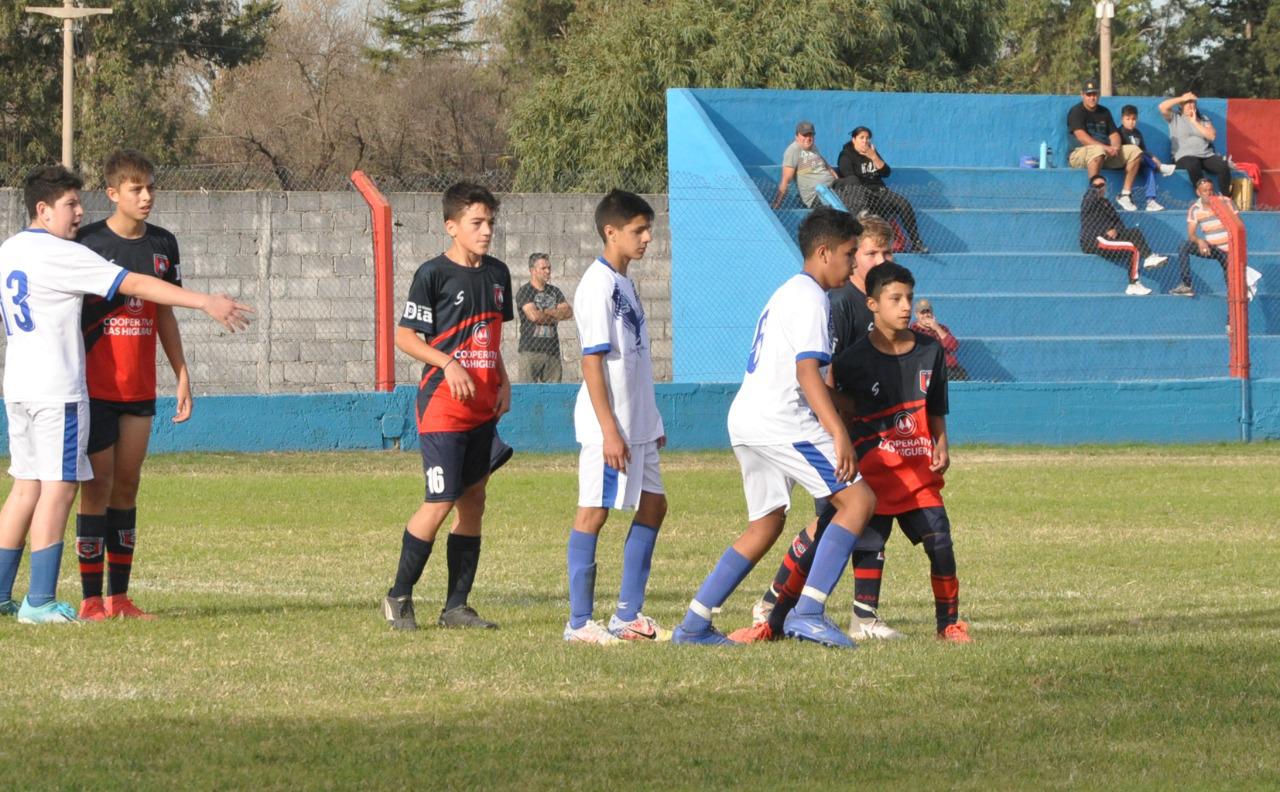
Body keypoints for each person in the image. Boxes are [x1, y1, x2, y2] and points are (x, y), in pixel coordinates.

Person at [0, 165, 251, 624]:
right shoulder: (64, 253)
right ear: (43, 210)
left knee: (25, 487)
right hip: (57, 389)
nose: (79, 212)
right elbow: (134, 284)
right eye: (71, 204)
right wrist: (205, 301)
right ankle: (38, 602)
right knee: (61, 488)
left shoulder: (10, 249)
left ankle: (2, 594)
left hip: (18, 385)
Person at [730, 263, 972, 644]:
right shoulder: (852, 360)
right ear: (873, 304)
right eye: (895, 299)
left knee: (939, 541)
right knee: (853, 541)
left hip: (916, 474)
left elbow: (936, 405)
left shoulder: (930, 350)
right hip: (872, 473)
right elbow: (832, 401)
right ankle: (773, 622)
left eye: (909, 297)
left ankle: (949, 625)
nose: (906, 306)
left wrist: (940, 441)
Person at [671, 207, 877, 648]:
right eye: (849, 253)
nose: (854, 263)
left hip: (748, 418)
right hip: (780, 419)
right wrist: (839, 432)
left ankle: (693, 624)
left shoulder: (786, 292)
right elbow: (807, 374)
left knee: (766, 523)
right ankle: (808, 612)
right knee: (858, 500)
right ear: (823, 253)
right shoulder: (811, 297)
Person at [738, 214, 892, 630]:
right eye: (868, 253)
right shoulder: (832, 300)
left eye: (887, 252)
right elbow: (817, 372)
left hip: (838, 424)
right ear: (848, 255)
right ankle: (791, 606)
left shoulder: (871, 302)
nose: (878, 260)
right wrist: (838, 427)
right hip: (815, 425)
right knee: (842, 512)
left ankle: (856, 615)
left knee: (860, 513)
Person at [382, 181, 513, 632]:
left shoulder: (498, 275)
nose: (486, 231)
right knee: (438, 502)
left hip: (481, 409)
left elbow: (490, 337)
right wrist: (448, 362)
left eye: (490, 222)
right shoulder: (432, 274)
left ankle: (456, 607)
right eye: (477, 223)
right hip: (442, 407)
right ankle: (398, 597)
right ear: (451, 226)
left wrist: (504, 379)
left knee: (473, 503)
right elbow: (404, 337)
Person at [71, 150, 185, 621]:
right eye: (136, 189)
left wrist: (181, 373)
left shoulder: (163, 244)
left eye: (150, 187)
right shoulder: (86, 241)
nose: (146, 196)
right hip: (95, 387)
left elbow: (164, 311)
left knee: (129, 483)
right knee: (96, 486)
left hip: (139, 388)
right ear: (113, 194)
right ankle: (90, 599)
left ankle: (120, 598)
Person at [564, 191, 668, 645]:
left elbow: (635, 360)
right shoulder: (596, 285)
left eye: (648, 229)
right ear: (611, 232)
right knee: (594, 512)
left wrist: (653, 420)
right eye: (638, 230)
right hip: (611, 427)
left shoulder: (624, 282)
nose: (647, 238)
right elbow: (593, 363)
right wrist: (610, 430)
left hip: (638, 424)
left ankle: (627, 616)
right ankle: (579, 623)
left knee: (654, 505)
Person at [835, 126, 929, 253]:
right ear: (854, 139)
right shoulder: (846, 155)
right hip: (862, 194)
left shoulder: (872, 152)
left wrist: (873, 156)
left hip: (880, 192)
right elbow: (849, 178)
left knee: (904, 205)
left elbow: (886, 172)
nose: (865, 141)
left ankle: (916, 242)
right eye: (861, 138)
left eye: (867, 138)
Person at [1079, 175, 1167, 296]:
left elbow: (1118, 222)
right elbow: (1091, 199)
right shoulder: (1088, 200)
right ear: (1091, 188)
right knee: (1132, 249)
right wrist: (1106, 229)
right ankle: (1134, 283)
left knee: (1135, 233)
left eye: (1102, 185)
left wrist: (1114, 230)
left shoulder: (1106, 203)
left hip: (1108, 239)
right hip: (1094, 239)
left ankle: (1148, 258)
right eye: (1096, 186)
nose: (1100, 188)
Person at [1067, 79, 1143, 211]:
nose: (1092, 97)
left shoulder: (1104, 112)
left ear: (1099, 95)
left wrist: (1116, 147)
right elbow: (1081, 137)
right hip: (1079, 154)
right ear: (1082, 95)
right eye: (1089, 94)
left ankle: (1125, 194)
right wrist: (1105, 147)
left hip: (1105, 153)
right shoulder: (1076, 111)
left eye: (1095, 94)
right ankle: (1093, 196)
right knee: (1097, 150)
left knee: (1135, 151)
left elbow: (1114, 135)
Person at [1159, 92, 1231, 197]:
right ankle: (1202, 196)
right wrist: (1182, 98)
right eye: (1187, 103)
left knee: (1223, 166)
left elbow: (1211, 136)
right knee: (1193, 164)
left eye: (1192, 102)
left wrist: (1194, 122)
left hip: (1205, 155)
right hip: (1184, 157)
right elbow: (1162, 107)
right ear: (1181, 105)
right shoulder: (1175, 118)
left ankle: (1225, 198)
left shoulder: (1203, 119)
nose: (1190, 105)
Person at [515, 252, 572, 383]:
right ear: (532, 271)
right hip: (530, 351)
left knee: (554, 392)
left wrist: (544, 311)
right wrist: (556, 314)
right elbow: (534, 316)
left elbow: (568, 312)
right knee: (527, 393)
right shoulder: (525, 291)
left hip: (552, 351)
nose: (548, 271)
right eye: (543, 268)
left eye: (549, 268)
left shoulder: (554, 291)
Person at [1171, 178, 1232, 298]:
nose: (1208, 193)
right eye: (1204, 191)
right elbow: (1191, 234)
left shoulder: (1225, 201)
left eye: (1210, 190)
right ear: (1198, 192)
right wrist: (1200, 241)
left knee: (1232, 286)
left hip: (1230, 250)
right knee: (1184, 246)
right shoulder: (1195, 209)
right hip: (1212, 248)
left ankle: (1232, 315)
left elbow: (1238, 225)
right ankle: (1186, 285)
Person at [1118, 105, 1175, 212]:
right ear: (1122, 119)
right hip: (1127, 163)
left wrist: (1152, 157)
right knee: (1141, 156)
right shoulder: (1119, 132)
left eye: (1134, 119)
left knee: (1149, 169)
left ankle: (1151, 201)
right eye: (1128, 119)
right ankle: (1159, 167)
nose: (1131, 122)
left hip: (1141, 162)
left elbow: (1143, 150)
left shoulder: (1137, 133)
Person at [772, 120, 838, 209]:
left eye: (810, 135)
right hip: (817, 196)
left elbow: (828, 167)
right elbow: (786, 179)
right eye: (804, 135)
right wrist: (776, 205)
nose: (808, 138)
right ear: (797, 137)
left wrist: (837, 181)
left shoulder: (814, 147)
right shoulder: (793, 150)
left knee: (851, 182)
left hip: (832, 188)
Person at [910, 299, 967, 381]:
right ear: (916, 315)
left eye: (928, 312)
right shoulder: (913, 330)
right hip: (925, 368)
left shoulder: (941, 328)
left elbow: (954, 346)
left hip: (947, 367)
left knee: (961, 375)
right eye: (922, 312)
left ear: (932, 313)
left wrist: (937, 328)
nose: (926, 315)